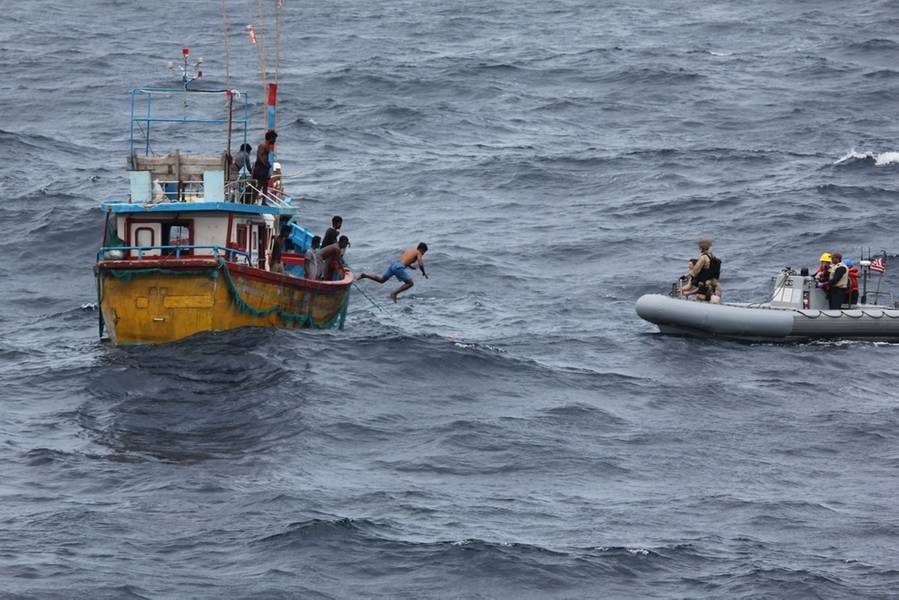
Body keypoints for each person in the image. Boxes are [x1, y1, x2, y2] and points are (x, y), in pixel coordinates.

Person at [357, 243, 429, 302]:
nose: (423, 254)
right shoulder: (418, 252)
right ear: (421, 249)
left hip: (394, 264)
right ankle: (394, 293)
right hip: (398, 267)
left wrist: (410, 266)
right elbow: (421, 264)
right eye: (423, 253)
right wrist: (423, 272)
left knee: (381, 280)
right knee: (410, 283)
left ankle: (366, 275)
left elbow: (405, 259)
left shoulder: (410, 250)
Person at [252, 129, 278, 197]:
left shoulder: (267, 146)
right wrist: (266, 165)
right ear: (271, 138)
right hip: (260, 168)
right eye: (274, 139)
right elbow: (260, 156)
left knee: (265, 185)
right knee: (260, 185)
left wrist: (267, 165)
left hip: (264, 168)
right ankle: (253, 200)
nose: (275, 141)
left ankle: (264, 202)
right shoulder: (262, 145)